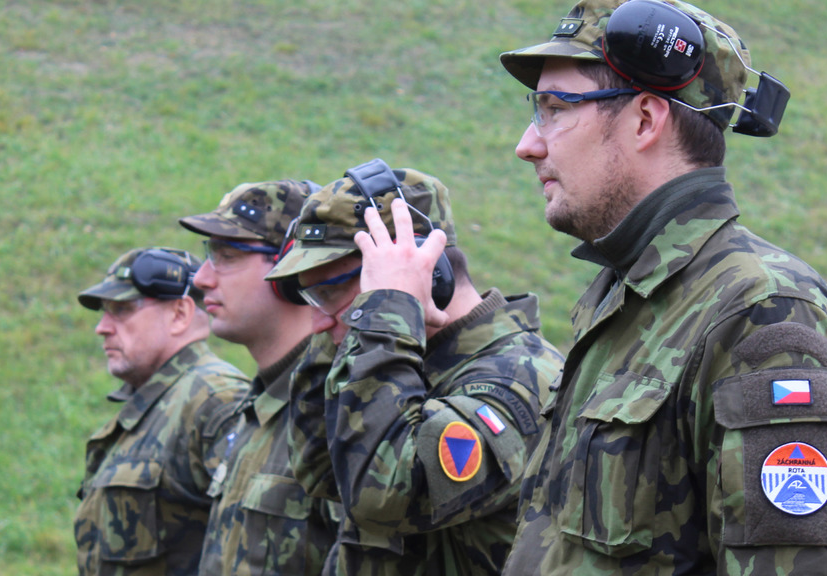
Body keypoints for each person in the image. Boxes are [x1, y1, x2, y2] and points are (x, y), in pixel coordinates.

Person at [497, 0, 827, 573]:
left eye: (553, 109)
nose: (528, 144)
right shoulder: (624, 292)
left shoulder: (766, 315)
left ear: (645, 120)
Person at [264, 159, 565, 575]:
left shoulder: (522, 380)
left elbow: (384, 496)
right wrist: (358, 325)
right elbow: (318, 468)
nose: (316, 321)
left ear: (431, 270)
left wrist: (384, 308)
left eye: (331, 291)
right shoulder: (394, 357)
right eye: (312, 296)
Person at [178, 179, 340, 575]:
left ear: (293, 268)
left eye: (227, 255)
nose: (201, 279)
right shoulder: (256, 409)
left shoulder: (337, 411)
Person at [74, 246, 250, 576]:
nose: (102, 326)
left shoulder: (215, 400)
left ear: (180, 314)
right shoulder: (160, 402)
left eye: (122, 309)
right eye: (104, 311)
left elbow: (250, 549)